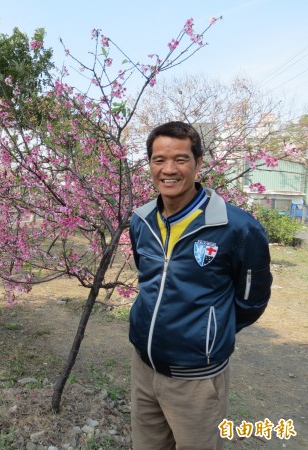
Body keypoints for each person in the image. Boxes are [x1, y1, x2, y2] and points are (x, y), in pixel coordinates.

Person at [128, 121, 272, 450]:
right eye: (158, 160)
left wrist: (209, 333)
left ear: (198, 163)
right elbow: (149, 278)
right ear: (149, 164)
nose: (168, 170)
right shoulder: (141, 220)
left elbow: (251, 302)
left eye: (180, 159)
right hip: (144, 367)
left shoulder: (238, 228)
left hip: (197, 377)